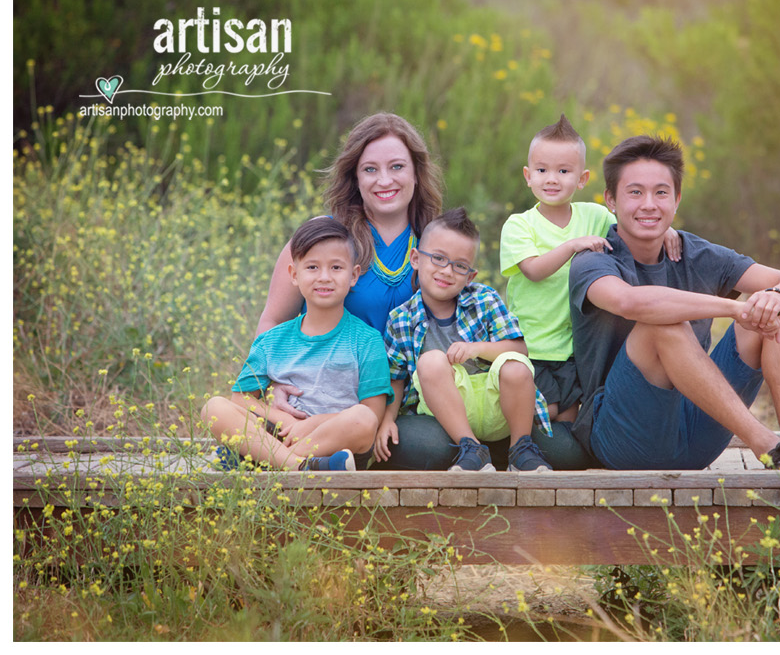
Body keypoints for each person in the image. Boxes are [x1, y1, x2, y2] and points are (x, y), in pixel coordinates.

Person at [567, 134, 780, 471]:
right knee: (662, 325)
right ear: (610, 200)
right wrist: (733, 308)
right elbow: (630, 302)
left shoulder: (694, 252)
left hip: (697, 434)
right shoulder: (594, 259)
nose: (648, 204)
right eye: (635, 192)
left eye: (661, 192)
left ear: (677, 199)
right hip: (624, 438)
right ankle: (770, 448)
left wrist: (777, 297)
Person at [501, 112, 681, 446]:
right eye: (542, 170)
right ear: (528, 176)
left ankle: (553, 461)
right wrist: (572, 246)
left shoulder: (594, 216)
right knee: (544, 411)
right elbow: (533, 270)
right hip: (532, 346)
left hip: (574, 349)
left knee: (567, 423)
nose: (551, 179)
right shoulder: (519, 225)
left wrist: (665, 227)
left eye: (563, 171)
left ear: (582, 179)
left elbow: (632, 222)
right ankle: (514, 449)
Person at [202, 215, 390, 471]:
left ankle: (269, 461)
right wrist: (280, 418)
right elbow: (241, 398)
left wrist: (311, 425)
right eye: (312, 267)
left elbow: (374, 414)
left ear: (354, 275)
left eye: (336, 268)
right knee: (213, 407)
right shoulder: (273, 340)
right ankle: (299, 466)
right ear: (294, 274)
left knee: (363, 419)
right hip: (282, 434)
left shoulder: (366, 340)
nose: (324, 277)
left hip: (338, 445)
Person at [377, 207, 553, 472]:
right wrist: (387, 419)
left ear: (470, 275)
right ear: (415, 258)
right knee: (430, 362)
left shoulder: (484, 299)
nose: (447, 271)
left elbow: (520, 348)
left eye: (459, 266)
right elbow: (397, 377)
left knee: (514, 365)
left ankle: (520, 448)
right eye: (438, 258)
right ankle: (472, 448)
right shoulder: (401, 319)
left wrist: (475, 349)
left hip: (496, 403)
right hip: (447, 409)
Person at [254, 112, 440, 344]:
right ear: (355, 178)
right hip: (325, 378)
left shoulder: (438, 241)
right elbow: (272, 322)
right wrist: (276, 380)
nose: (384, 180)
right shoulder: (320, 236)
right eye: (370, 169)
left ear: (416, 173)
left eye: (397, 167)